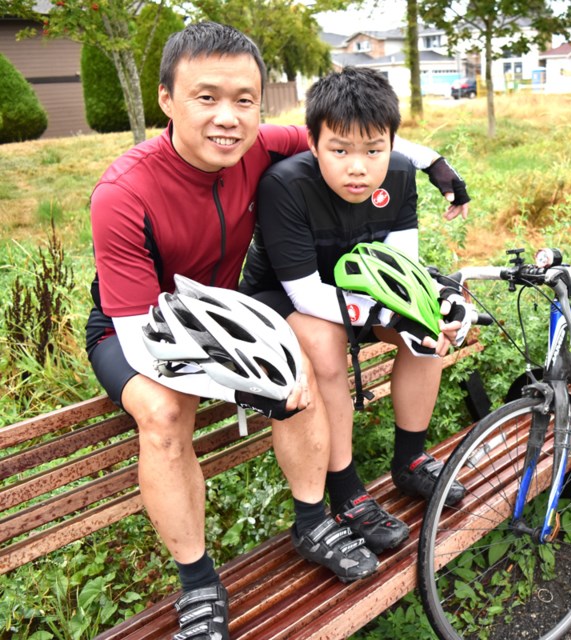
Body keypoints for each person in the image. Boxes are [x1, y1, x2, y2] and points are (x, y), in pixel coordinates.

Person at [85, 22, 469, 640]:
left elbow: (355, 137)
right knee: (162, 414)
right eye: (205, 97)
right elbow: (138, 336)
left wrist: (434, 164)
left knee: (294, 359)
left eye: (244, 100)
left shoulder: (257, 145)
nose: (227, 118)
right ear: (166, 99)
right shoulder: (123, 192)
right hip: (140, 326)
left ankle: (313, 520)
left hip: (225, 309)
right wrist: (242, 386)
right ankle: (199, 584)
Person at [238, 67, 475, 561]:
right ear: (313, 143)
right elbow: (307, 296)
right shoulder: (285, 186)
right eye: (339, 150)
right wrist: (387, 315)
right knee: (324, 343)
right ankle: (347, 493)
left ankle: (410, 462)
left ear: (393, 144)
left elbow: (402, 266)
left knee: (428, 321)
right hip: (284, 294)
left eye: (373, 150)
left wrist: (426, 306)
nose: (358, 168)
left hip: (355, 285)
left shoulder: (403, 174)